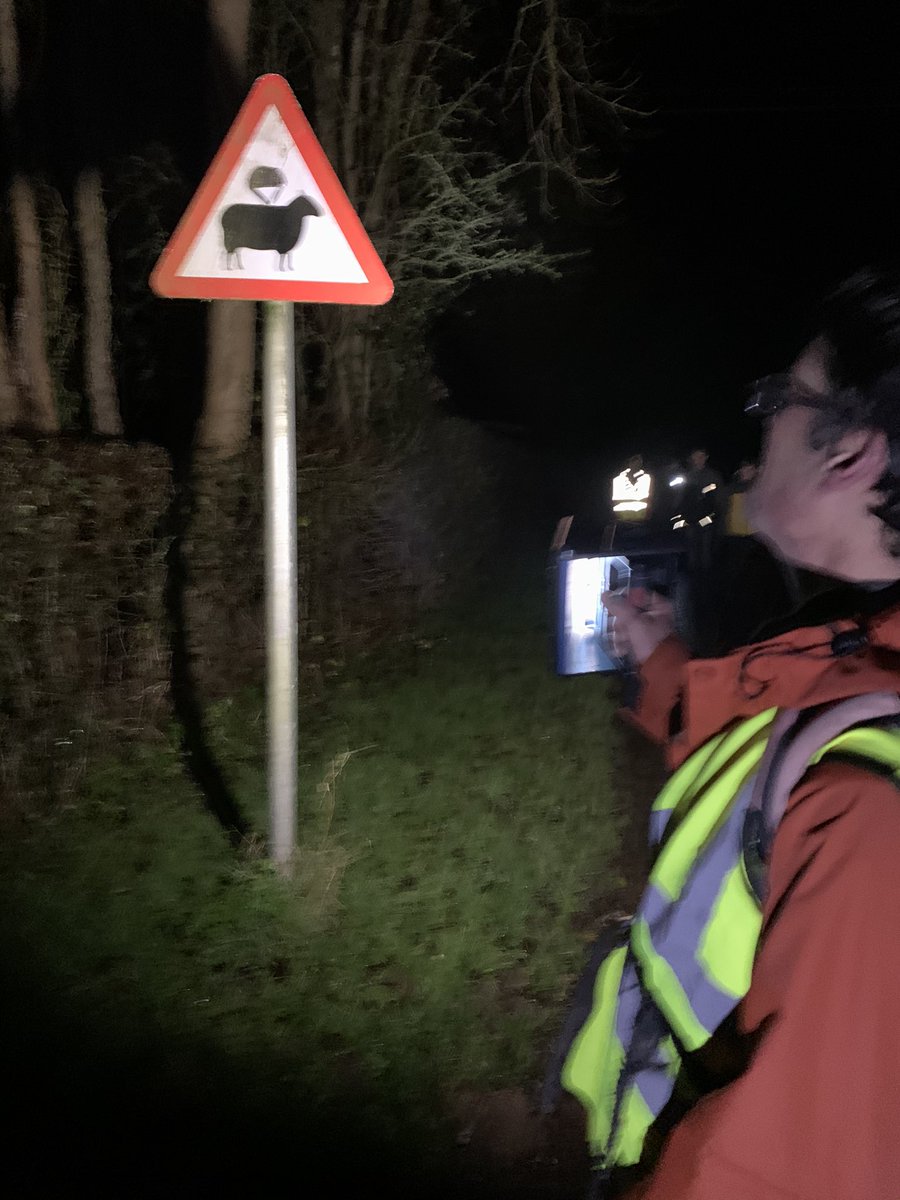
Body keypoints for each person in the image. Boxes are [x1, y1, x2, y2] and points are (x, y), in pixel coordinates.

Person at [578, 265, 900, 1199]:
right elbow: (772, 766)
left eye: (779, 399)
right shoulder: (861, 657)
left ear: (852, 456)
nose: (759, 424)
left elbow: (784, 1171)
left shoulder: (870, 820)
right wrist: (664, 661)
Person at [610, 455, 654, 525]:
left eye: (639, 460)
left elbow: (654, 498)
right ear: (628, 462)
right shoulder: (617, 480)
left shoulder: (647, 478)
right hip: (620, 523)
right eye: (634, 459)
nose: (637, 462)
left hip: (643, 523)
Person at [724, 459, 757, 535]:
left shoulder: (761, 487)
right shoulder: (730, 488)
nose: (748, 472)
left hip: (755, 533)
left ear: (755, 471)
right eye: (745, 469)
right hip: (735, 531)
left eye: (751, 469)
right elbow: (723, 507)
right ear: (740, 470)